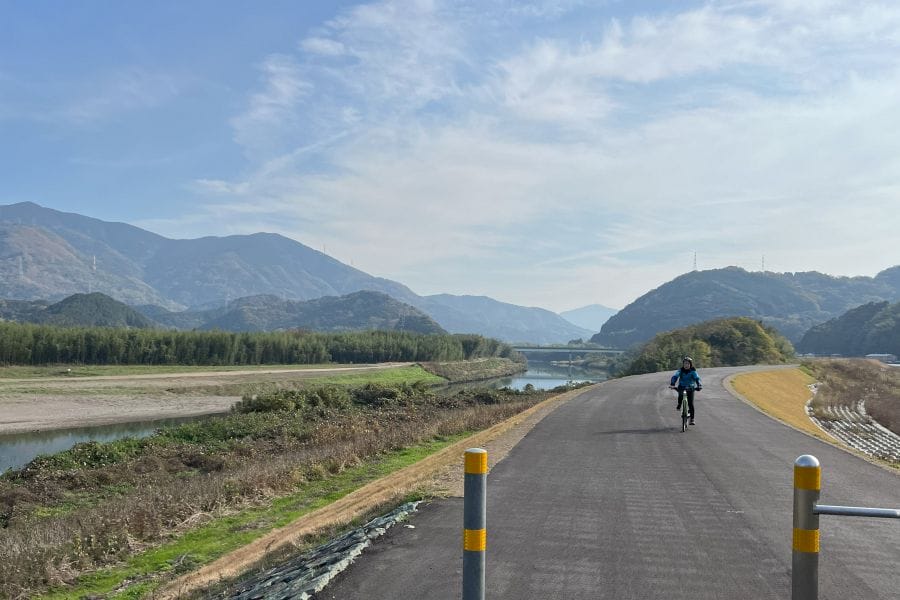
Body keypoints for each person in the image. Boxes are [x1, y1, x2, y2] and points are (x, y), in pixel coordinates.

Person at [669, 356, 702, 425]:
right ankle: (679, 404)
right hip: (682, 387)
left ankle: (692, 419)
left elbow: (697, 378)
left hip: (691, 388)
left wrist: (699, 385)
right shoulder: (680, 370)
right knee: (680, 395)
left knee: (691, 404)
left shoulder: (693, 371)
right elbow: (675, 377)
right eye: (685, 364)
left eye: (688, 364)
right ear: (683, 364)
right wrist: (672, 384)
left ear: (690, 364)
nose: (686, 365)